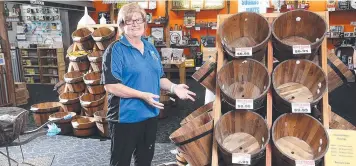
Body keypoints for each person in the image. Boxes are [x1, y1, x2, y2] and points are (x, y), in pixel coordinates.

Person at [100, 3, 196, 166]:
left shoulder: (151, 48)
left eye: (138, 20)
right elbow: (111, 86)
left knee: (144, 160)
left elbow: (158, 77)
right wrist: (142, 95)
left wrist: (174, 87)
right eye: (129, 21)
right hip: (125, 118)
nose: (135, 24)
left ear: (145, 23)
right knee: (120, 162)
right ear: (122, 25)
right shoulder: (115, 50)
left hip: (150, 115)